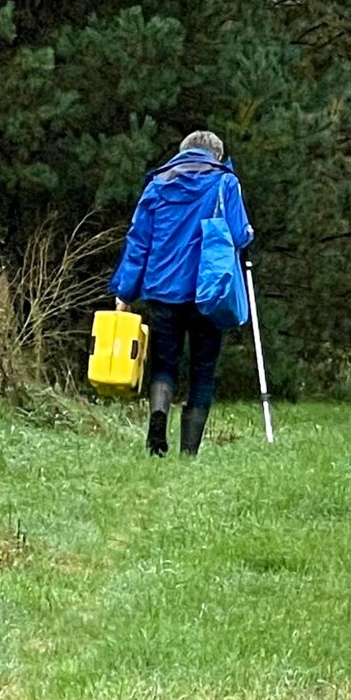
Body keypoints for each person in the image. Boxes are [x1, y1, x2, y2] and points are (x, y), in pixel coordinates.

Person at [109, 130, 254, 457]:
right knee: (203, 370)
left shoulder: (157, 185)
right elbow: (239, 234)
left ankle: (158, 423)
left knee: (163, 364)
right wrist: (246, 233)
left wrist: (125, 291)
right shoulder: (225, 182)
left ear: (183, 152)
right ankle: (189, 451)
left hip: (163, 290)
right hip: (209, 293)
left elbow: (138, 242)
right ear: (216, 155)